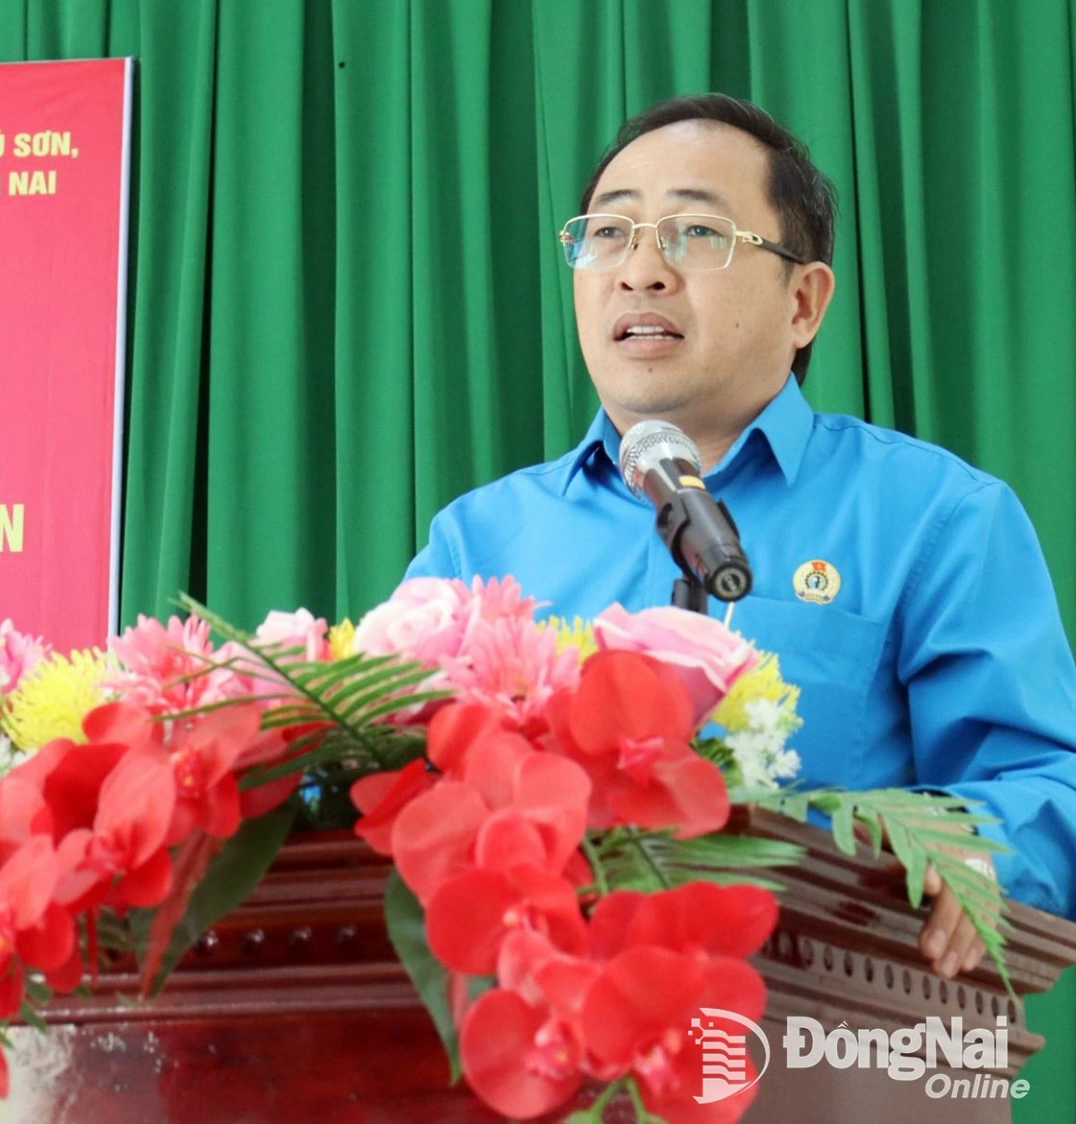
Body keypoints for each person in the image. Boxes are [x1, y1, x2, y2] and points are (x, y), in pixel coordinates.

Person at [406, 94, 1076, 979]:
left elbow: (1046, 786)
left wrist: (979, 846)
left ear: (803, 302)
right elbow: (377, 781)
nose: (640, 271)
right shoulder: (480, 541)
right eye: (609, 234)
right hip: (529, 1028)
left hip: (831, 1025)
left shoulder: (933, 517)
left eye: (695, 233)